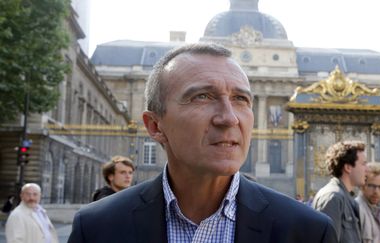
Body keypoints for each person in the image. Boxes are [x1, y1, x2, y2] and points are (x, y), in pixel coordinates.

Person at [68, 43, 337, 242]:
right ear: (155, 125)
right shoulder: (96, 228)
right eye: (202, 97)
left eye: (241, 99)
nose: (229, 118)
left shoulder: (309, 232)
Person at [313, 140, 368, 243]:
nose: (367, 169)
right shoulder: (333, 197)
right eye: (363, 164)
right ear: (348, 167)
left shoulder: (347, 197)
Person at [355, 162, 380, 243]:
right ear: (362, 186)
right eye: (371, 186)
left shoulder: (377, 211)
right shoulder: (357, 209)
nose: (376, 191)